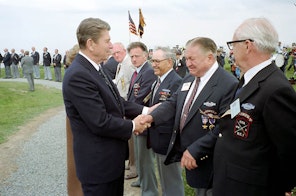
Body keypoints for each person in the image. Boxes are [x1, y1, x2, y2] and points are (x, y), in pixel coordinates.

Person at [139, 37, 238, 196]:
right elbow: (173, 103)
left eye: (192, 59)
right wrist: (152, 117)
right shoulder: (190, 78)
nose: (188, 63)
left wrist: (196, 149)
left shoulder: (228, 84)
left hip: (211, 160)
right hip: (191, 157)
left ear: (210, 58)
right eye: (186, 58)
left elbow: (226, 126)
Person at [62, 17, 149, 196]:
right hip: (98, 166)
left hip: (110, 162)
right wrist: (134, 125)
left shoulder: (95, 68)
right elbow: (99, 121)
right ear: (91, 44)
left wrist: (146, 110)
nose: (111, 46)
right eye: (107, 41)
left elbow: (117, 102)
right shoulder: (78, 74)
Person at [213, 17, 296, 196]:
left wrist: (282, 187)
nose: (231, 51)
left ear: (248, 45)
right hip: (233, 180)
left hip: (251, 187)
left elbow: (289, 147)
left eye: (232, 45)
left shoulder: (275, 88)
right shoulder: (249, 78)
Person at [148, 46, 184, 196]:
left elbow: (173, 111)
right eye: (152, 61)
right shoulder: (158, 81)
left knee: (172, 181)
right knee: (164, 179)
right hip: (158, 137)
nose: (153, 64)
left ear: (169, 62)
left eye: (157, 61)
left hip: (168, 140)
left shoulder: (176, 82)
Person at [126, 41, 158, 196]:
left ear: (146, 55)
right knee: (139, 157)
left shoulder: (148, 71)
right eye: (131, 56)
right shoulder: (136, 72)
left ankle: (150, 190)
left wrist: (127, 109)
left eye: (137, 56)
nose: (133, 59)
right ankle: (142, 181)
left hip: (143, 120)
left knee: (145, 160)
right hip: (135, 118)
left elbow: (143, 97)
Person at [111, 42, 137, 180]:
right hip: (123, 105)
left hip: (128, 105)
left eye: (118, 52)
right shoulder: (121, 64)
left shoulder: (128, 65)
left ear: (124, 51)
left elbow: (133, 84)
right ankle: (131, 163)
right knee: (128, 138)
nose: (116, 55)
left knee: (132, 139)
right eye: (114, 53)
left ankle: (134, 168)